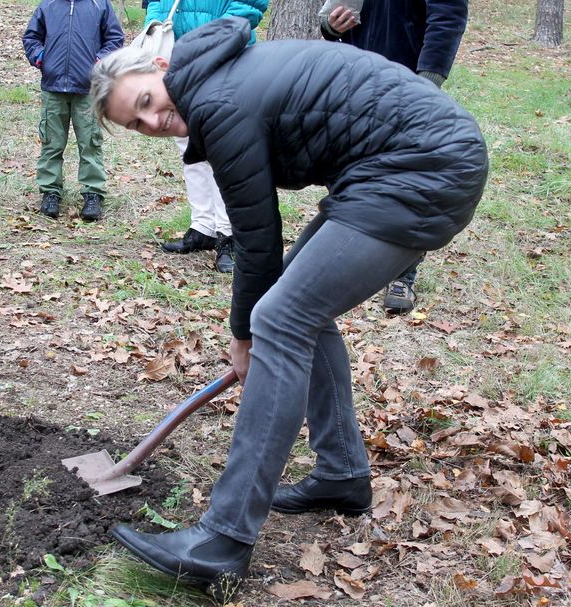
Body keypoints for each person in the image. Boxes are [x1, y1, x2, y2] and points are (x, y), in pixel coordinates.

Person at [90, 17, 488, 598]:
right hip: (392, 169)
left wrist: (244, 334)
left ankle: (222, 539)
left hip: (422, 169)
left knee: (279, 318)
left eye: (147, 102)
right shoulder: (217, 81)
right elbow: (264, 249)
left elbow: (256, 240)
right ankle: (342, 475)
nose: (152, 120)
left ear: (160, 69)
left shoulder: (220, 103)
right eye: (137, 123)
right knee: (298, 309)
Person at [320, 0, 469, 314]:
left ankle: (402, 275)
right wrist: (331, 26)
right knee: (350, 172)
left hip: (408, 82)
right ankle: (353, 256)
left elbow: (448, 15)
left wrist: (424, 85)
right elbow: (335, 13)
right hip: (357, 77)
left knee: (408, 182)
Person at [144, 0, 268, 272]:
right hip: (178, 61)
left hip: (224, 59)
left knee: (222, 150)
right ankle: (203, 227)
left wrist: (207, 45)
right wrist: (153, 29)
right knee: (189, 147)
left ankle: (229, 234)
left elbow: (250, 6)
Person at [23, 0, 124, 221]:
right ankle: (50, 192)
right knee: (51, 142)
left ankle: (93, 194)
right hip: (53, 87)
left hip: (88, 89)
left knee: (90, 142)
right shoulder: (48, 5)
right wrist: (40, 56)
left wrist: (99, 61)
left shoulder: (100, 5)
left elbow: (115, 39)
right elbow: (31, 37)